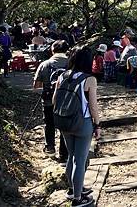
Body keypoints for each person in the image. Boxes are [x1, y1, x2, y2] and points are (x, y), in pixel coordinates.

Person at [53, 46, 101, 206]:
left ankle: (73, 189)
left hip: (64, 122)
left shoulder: (62, 76)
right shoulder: (89, 79)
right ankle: (77, 199)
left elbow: (55, 100)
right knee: (80, 161)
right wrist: (97, 125)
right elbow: (93, 106)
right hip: (82, 124)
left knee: (71, 156)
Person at [33, 40, 70, 160]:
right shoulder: (71, 64)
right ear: (66, 50)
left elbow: (36, 85)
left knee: (49, 124)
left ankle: (50, 148)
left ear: (52, 50)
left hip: (48, 100)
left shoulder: (45, 64)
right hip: (67, 101)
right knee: (64, 126)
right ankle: (64, 154)